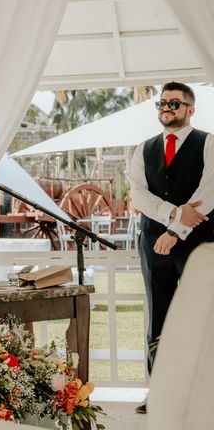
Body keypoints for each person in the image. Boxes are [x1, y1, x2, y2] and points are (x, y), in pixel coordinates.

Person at [129, 81, 214, 414]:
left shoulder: (209, 144)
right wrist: (175, 214)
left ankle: (204, 393)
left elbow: (209, 195)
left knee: (202, 316)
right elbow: (139, 196)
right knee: (158, 318)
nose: (167, 107)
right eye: (162, 103)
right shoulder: (143, 148)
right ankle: (158, 393)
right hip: (152, 242)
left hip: (199, 243)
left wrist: (176, 231)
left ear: (190, 109)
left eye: (175, 103)